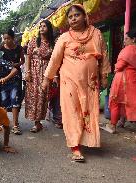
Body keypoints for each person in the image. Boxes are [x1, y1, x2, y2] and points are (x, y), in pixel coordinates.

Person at [42, 4, 110, 162]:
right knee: (72, 111)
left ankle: (86, 139)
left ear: (85, 16)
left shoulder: (96, 34)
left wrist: (104, 75)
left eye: (76, 15)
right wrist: (47, 78)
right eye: (70, 17)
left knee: (88, 110)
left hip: (90, 82)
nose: (73, 19)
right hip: (69, 81)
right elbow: (55, 60)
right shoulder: (64, 37)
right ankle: (75, 147)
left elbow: (104, 56)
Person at [105, 29, 136, 133]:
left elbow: (119, 66)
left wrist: (115, 67)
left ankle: (112, 125)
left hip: (123, 79)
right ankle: (121, 122)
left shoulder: (128, 49)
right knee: (132, 101)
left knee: (116, 101)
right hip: (134, 79)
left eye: (127, 39)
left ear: (133, 39)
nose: (124, 41)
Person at [25, 20, 54, 133]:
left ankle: (39, 122)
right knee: (33, 96)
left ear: (49, 28)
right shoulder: (33, 42)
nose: (41, 28)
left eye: (44, 26)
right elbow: (28, 57)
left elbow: (54, 59)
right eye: (40, 26)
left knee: (42, 96)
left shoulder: (52, 43)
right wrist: (27, 72)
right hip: (33, 72)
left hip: (46, 73)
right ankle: (36, 123)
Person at [0, 29, 25, 135]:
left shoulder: (19, 48)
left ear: (13, 38)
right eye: (4, 39)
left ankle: (15, 125)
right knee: (4, 100)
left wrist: (16, 65)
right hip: (4, 77)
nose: (6, 40)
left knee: (15, 100)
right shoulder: (1, 49)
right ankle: (4, 123)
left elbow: (22, 60)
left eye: (8, 38)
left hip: (16, 77)